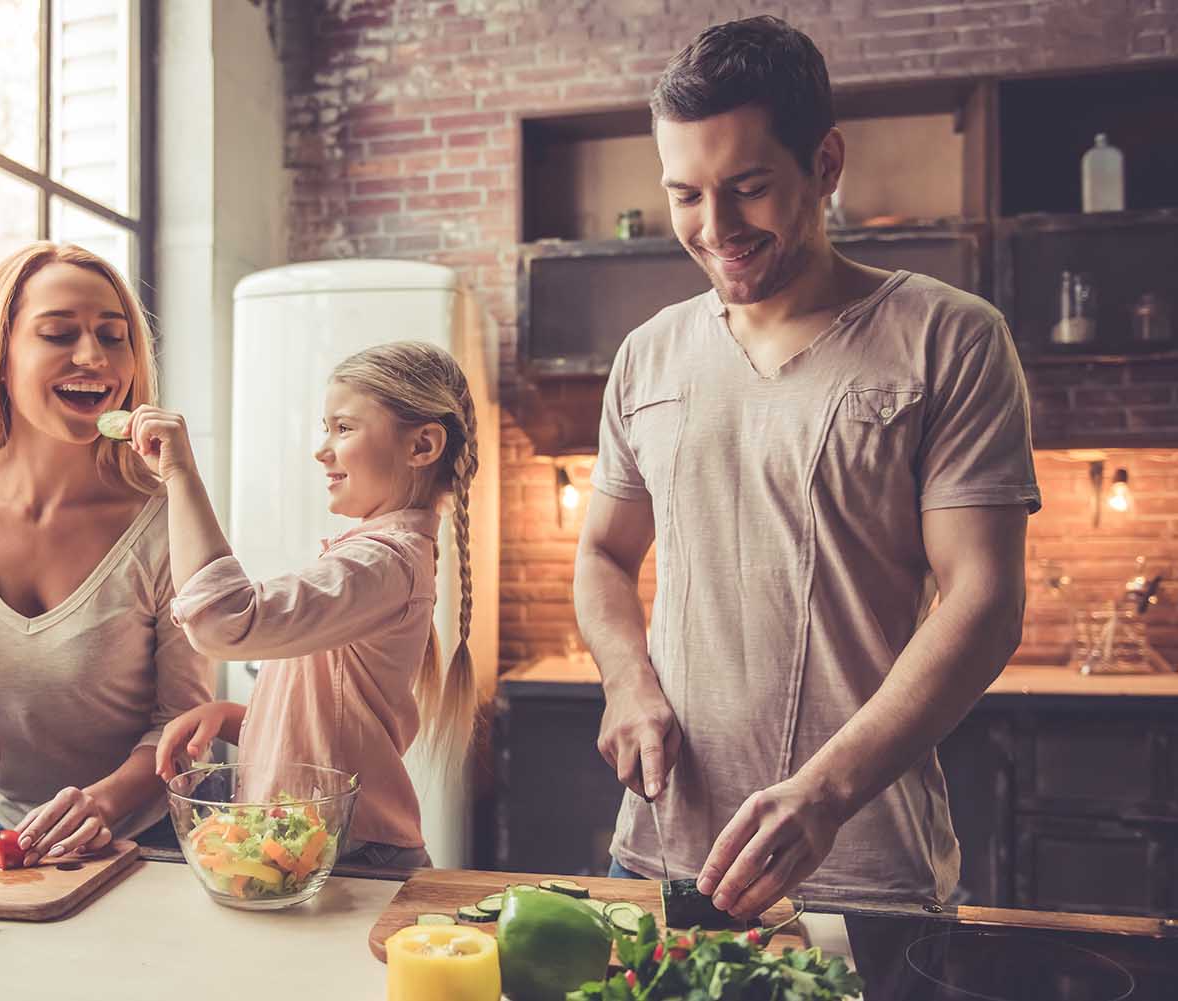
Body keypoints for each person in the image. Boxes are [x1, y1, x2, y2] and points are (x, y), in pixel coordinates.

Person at [573, 16, 1040, 916]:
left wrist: (824, 793)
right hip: (665, 850)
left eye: (748, 188)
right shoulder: (648, 355)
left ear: (825, 164)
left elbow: (985, 601)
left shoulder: (950, 337)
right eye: (686, 195)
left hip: (863, 869)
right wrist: (625, 678)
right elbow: (601, 553)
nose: (717, 230)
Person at [0, 242, 213, 864]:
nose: (94, 358)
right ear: (2, 355)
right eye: (59, 333)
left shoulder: (165, 519)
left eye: (114, 336)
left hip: (155, 846)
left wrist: (103, 803)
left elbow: (184, 722)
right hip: (9, 842)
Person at [140, 341, 479, 868]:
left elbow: (223, 621)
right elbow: (331, 720)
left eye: (343, 429)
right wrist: (237, 719)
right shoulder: (376, 560)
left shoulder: (382, 562)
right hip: (323, 851)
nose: (323, 449)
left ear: (422, 446)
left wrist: (180, 474)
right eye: (326, 428)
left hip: (354, 858)